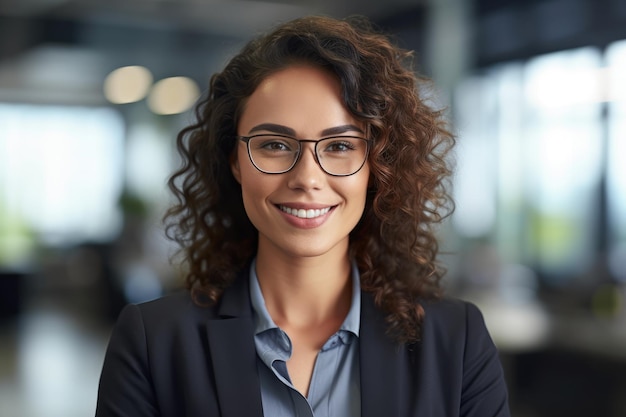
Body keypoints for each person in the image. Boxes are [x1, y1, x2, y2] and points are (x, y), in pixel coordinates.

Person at [95, 15, 510, 417]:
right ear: (235, 161)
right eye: (274, 144)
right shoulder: (153, 342)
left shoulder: (458, 341)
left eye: (340, 146)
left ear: (377, 166)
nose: (307, 178)